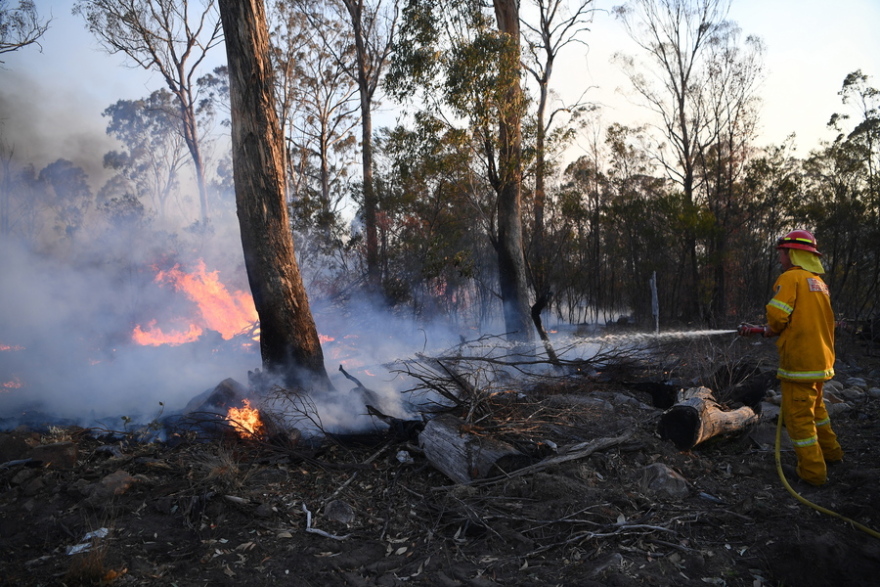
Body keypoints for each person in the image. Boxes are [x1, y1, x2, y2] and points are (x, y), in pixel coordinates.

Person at [738, 230, 843, 485]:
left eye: (782, 253)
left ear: (792, 253)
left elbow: (777, 315)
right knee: (817, 410)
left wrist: (769, 328)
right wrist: (767, 330)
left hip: (800, 364)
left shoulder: (791, 278)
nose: (780, 259)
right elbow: (801, 319)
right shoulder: (818, 282)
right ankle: (832, 454)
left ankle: (813, 473)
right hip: (821, 361)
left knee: (799, 420)